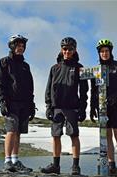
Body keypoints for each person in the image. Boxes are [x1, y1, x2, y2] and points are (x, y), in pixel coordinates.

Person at [40, 37, 88, 175]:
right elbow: (48, 88)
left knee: (74, 136)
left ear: (75, 50)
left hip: (72, 107)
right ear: (61, 50)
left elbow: (84, 91)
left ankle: (75, 166)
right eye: (65, 49)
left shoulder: (80, 68)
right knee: (55, 136)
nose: (67, 51)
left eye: (70, 49)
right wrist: (49, 106)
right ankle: (55, 166)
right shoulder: (54, 68)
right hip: (56, 107)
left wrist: (83, 108)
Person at [90, 39, 117, 177]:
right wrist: (92, 107)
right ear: (99, 53)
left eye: (106, 51)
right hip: (103, 108)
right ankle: (111, 165)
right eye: (102, 51)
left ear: (110, 52)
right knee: (106, 136)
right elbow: (93, 90)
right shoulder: (96, 70)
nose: (104, 53)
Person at [0, 34, 36, 173]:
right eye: (18, 46)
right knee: (11, 131)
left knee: (18, 132)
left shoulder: (26, 66)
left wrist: (31, 104)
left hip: (24, 104)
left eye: (22, 46)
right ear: (12, 46)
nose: (20, 48)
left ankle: (15, 160)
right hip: (10, 103)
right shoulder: (4, 62)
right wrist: (2, 101)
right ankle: (7, 161)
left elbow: (30, 86)